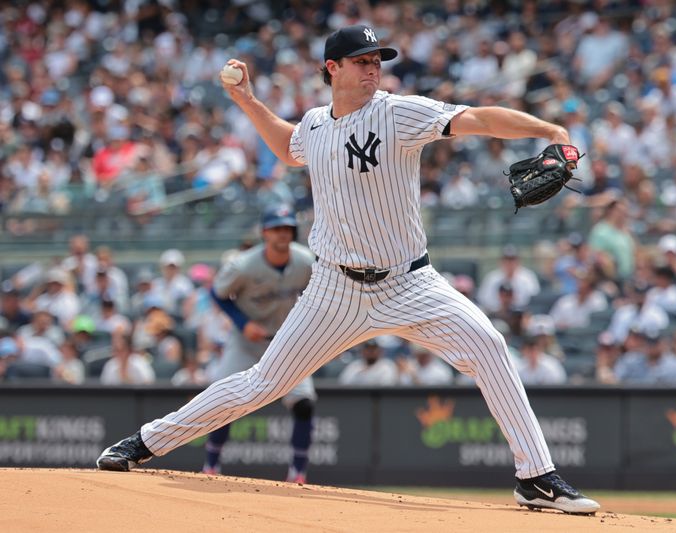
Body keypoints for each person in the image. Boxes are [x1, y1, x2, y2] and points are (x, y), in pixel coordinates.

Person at [96, 24, 599, 515]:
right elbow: (288, 146)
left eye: (377, 61)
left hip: (410, 281)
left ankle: (535, 476)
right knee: (261, 383)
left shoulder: (398, 113)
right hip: (334, 289)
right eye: (362, 61)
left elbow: (479, 119)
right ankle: (145, 442)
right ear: (332, 68)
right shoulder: (315, 124)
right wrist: (247, 100)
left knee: (489, 347)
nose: (373, 69)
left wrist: (548, 130)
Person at [198, 205, 318, 484]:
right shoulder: (243, 265)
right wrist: (242, 323)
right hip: (245, 342)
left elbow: (319, 293)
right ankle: (211, 466)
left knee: (304, 404)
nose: (282, 234)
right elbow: (217, 294)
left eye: (287, 228)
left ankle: (298, 474)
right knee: (221, 401)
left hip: (286, 343)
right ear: (265, 232)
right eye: (276, 228)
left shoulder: (305, 262)